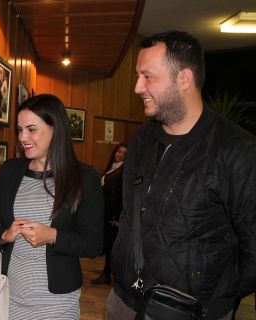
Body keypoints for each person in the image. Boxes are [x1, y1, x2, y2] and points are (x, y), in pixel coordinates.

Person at [106, 30, 256, 320]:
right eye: (137, 75)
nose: (137, 87)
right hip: (123, 301)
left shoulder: (238, 150)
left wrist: (212, 296)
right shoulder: (140, 141)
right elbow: (130, 215)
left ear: (184, 79)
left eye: (147, 76)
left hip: (188, 313)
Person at [0, 94, 104, 319]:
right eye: (19, 130)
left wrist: (53, 236)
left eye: (31, 129)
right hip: (9, 297)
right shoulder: (10, 171)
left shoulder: (84, 178)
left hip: (58, 303)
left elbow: (94, 244)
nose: (23, 137)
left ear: (55, 129)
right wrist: (5, 234)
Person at [90, 142, 128, 285]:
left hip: (113, 215)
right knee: (108, 244)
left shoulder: (124, 170)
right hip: (105, 213)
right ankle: (107, 273)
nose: (120, 155)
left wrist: (116, 217)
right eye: (119, 151)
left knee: (112, 246)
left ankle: (109, 275)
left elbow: (121, 196)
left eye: (124, 153)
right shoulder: (111, 168)